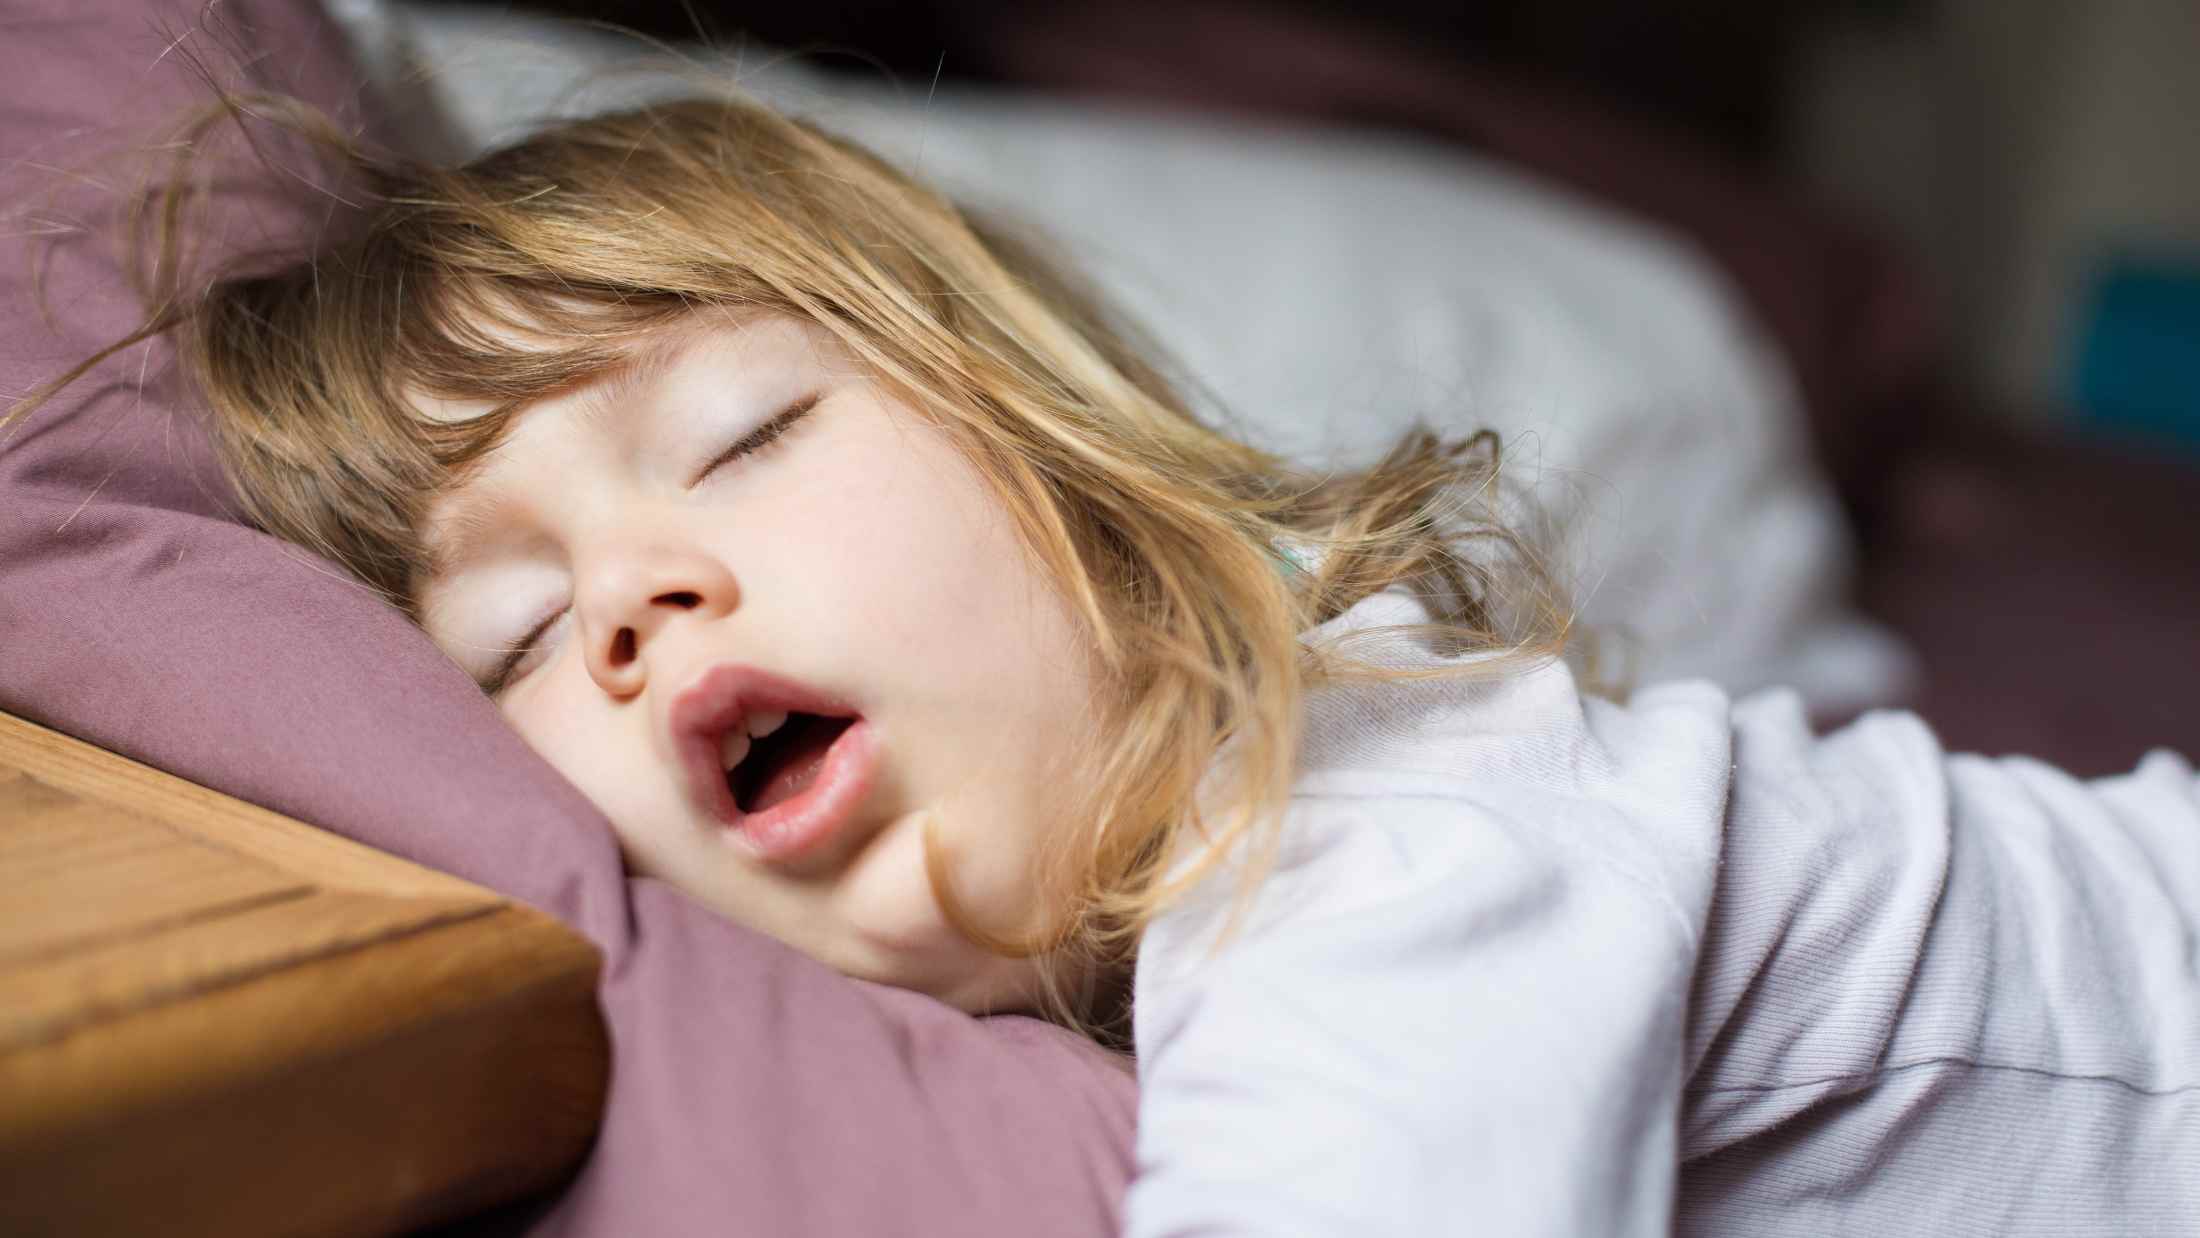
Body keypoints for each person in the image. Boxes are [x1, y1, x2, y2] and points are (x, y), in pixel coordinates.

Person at [20, 84, 2198, 1236]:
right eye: (508, 638)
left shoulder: (1376, 824)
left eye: (744, 435)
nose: (629, 599)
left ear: (1056, 466)